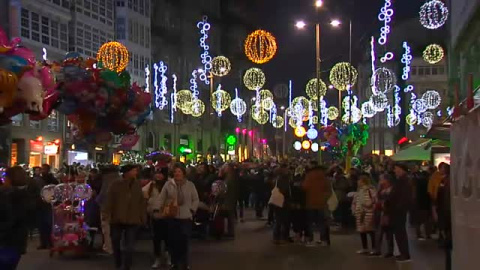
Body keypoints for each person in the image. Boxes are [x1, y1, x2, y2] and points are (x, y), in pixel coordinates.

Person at [159, 163, 199, 270]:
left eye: (179, 171)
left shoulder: (190, 185)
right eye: (176, 172)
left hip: (186, 217)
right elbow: (161, 198)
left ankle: (185, 262)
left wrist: (192, 209)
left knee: (184, 241)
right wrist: (162, 209)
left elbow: (195, 199)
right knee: (173, 241)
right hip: (172, 217)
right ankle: (174, 262)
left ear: (183, 173)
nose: (177, 174)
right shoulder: (168, 184)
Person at [105, 164, 146, 270]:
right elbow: (109, 200)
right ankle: (118, 262)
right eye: (134, 171)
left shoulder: (137, 184)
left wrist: (142, 217)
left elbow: (141, 201)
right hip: (117, 218)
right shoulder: (115, 184)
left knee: (130, 245)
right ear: (127, 172)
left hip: (133, 218)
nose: (136, 173)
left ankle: (127, 265)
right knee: (115, 241)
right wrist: (107, 214)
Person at [0, 166, 30, 270]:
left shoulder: (6, 195)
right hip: (17, 242)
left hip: (5, 241)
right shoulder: (25, 195)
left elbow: (8, 219)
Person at [143, 168, 170, 269]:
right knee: (156, 238)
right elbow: (144, 194)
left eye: (160, 174)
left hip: (168, 214)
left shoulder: (170, 184)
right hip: (155, 215)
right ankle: (157, 257)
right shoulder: (151, 185)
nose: (158, 176)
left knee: (168, 238)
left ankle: (168, 256)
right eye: (157, 174)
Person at [386, 163, 413, 262]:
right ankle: (403, 253)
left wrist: (398, 207)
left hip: (398, 211)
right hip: (396, 210)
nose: (395, 171)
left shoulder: (404, 181)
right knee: (398, 233)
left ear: (402, 170)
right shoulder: (401, 180)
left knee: (400, 232)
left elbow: (404, 196)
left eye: (396, 169)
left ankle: (405, 254)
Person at [303, 163, 331, 247]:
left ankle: (310, 240)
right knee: (322, 222)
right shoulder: (324, 177)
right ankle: (323, 240)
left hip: (310, 202)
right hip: (322, 203)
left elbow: (304, 187)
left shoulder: (309, 176)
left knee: (310, 222)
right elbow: (328, 190)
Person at [96, 165, 121, 254]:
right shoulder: (119, 179)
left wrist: (98, 202)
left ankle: (108, 247)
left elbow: (103, 195)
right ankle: (115, 246)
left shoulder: (106, 180)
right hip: (119, 208)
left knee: (106, 229)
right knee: (116, 229)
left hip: (106, 207)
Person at [352, 174, 377, 255]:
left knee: (370, 231)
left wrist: (368, 204)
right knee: (362, 231)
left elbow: (374, 199)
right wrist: (354, 209)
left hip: (368, 212)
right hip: (360, 213)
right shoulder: (358, 191)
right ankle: (364, 248)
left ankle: (374, 248)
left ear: (363, 181)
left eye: (359, 180)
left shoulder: (370, 190)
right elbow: (355, 201)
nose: (358, 182)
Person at [372, 173, 394, 257]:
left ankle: (390, 250)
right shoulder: (380, 189)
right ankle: (377, 249)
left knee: (388, 232)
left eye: (381, 179)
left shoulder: (391, 189)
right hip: (379, 212)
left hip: (387, 212)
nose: (380, 181)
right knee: (378, 231)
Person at [37, 164, 58, 249]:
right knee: (41, 224)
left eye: (44, 169)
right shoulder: (39, 179)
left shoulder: (52, 179)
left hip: (49, 204)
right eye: (42, 169)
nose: (42, 171)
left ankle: (50, 242)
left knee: (49, 223)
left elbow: (56, 189)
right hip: (41, 204)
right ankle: (43, 243)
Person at [436, 164, 451, 270]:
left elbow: (442, 199)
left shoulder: (446, 181)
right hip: (446, 214)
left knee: (449, 244)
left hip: (447, 214)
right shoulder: (444, 180)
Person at [271, 165, 291, 245]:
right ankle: (282, 236)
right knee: (283, 220)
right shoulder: (283, 179)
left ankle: (277, 236)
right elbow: (284, 190)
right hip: (283, 201)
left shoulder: (276, 179)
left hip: (277, 201)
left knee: (279, 219)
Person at [412, 165, 432, 240]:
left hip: (418, 203)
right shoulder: (427, 182)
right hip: (425, 203)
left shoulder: (418, 182)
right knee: (427, 220)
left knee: (418, 221)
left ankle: (419, 234)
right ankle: (427, 234)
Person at [220, 164, 239, 238]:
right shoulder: (231, 177)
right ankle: (230, 232)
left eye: (225, 168)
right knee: (230, 215)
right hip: (230, 198)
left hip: (229, 199)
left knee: (229, 215)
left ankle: (230, 232)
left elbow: (225, 188)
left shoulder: (230, 178)